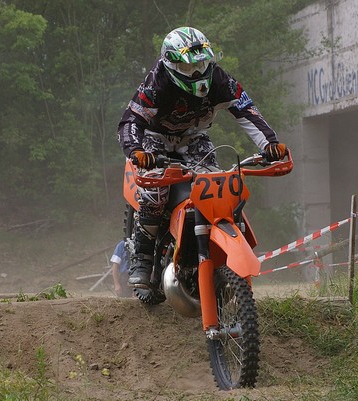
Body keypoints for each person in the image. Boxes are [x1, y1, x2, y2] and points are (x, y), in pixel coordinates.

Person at [117, 27, 288, 288]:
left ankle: (214, 254)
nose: (197, 72)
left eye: (200, 64)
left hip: (194, 139)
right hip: (155, 138)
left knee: (217, 189)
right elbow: (131, 120)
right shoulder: (157, 83)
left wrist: (270, 144)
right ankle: (143, 258)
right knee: (155, 193)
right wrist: (136, 150)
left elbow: (246, 109)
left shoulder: (219, 79)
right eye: (188, 67)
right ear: (171, 64)